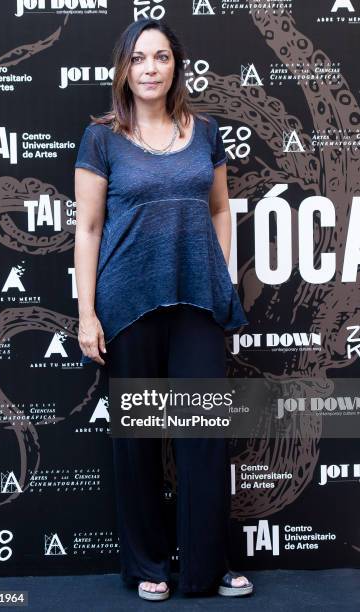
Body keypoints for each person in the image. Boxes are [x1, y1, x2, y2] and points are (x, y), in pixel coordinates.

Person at [74, 18, 254, 602]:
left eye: (161, 57)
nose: (150, 68)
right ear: (124, 69)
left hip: (198, 298)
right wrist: (87, 314)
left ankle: (208, 565)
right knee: (139, 442)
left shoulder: (205, 132)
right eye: (139, 59)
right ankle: (148, 563)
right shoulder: (100, 138)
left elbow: (222, 210)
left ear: (176, 66)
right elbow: (89, 227)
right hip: (128, 304)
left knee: (203, 435)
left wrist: (223, 274)